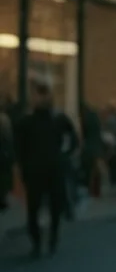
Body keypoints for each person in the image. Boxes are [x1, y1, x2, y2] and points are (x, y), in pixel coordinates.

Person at [15, 83, 80, 257]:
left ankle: (51, 238)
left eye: (43, 95)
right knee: (34, 209)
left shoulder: (58, 119)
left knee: (54, 206)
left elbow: (74, 138)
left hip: (53, 169)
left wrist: (64, 155)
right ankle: (37, 243)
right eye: (37, 95)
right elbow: (19, 149)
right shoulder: (26, 122)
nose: (40, 99)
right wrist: (22, 168)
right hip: (35, 171)